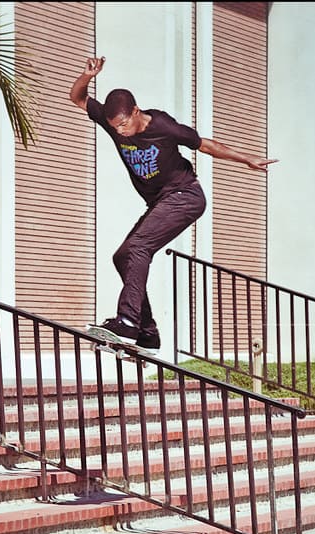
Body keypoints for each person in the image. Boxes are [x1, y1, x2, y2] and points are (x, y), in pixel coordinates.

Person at [70, 55, 277, 350]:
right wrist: (87, 76)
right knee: (123, 257)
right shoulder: (111, 121)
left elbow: (205, 144)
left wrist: (246, 159)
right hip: (160, 203)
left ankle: (127, 322)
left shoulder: (164, 126)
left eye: (125, 125)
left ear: (136, 111)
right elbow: (77, 99)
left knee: (139, 247)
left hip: (186, 196)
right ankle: (148, 332)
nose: (120, 132)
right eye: (115, 127)